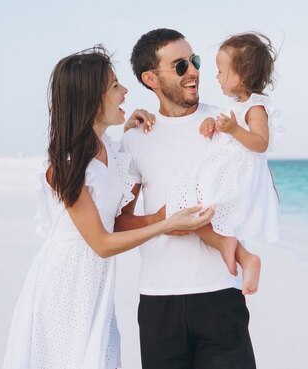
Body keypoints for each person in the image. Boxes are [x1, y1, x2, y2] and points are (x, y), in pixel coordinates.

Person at [2, 45, 214, 369]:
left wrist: (158, 216)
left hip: (96, 283)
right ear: (91, 98)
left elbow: (115, 222)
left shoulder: (110, 150)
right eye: (115, 86)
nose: (126, 90)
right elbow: (101, 242)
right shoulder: (66, 164)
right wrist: (165, 225)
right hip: (66, 282)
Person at [116, 29, 257, 369]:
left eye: (194, 61)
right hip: (159, 303)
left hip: (221, 293)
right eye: (180, 66)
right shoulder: (135, 140)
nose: (194, 71)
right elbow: (119, 224)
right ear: (151, 78)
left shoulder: (225, 124)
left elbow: (256, 174)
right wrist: (165, 222)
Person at [166, 32, 282, 294]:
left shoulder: (256, 107)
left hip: (237, 177)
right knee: (185, 203)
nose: (216, 76)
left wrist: (233, 130)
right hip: (224, 172)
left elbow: (261, 143)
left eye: (221, 71)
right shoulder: (235, 104)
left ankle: (240, 253)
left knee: (194, 208)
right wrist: (213, 125)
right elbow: (225, 124)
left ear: (243, 74)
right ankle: (240, 253)